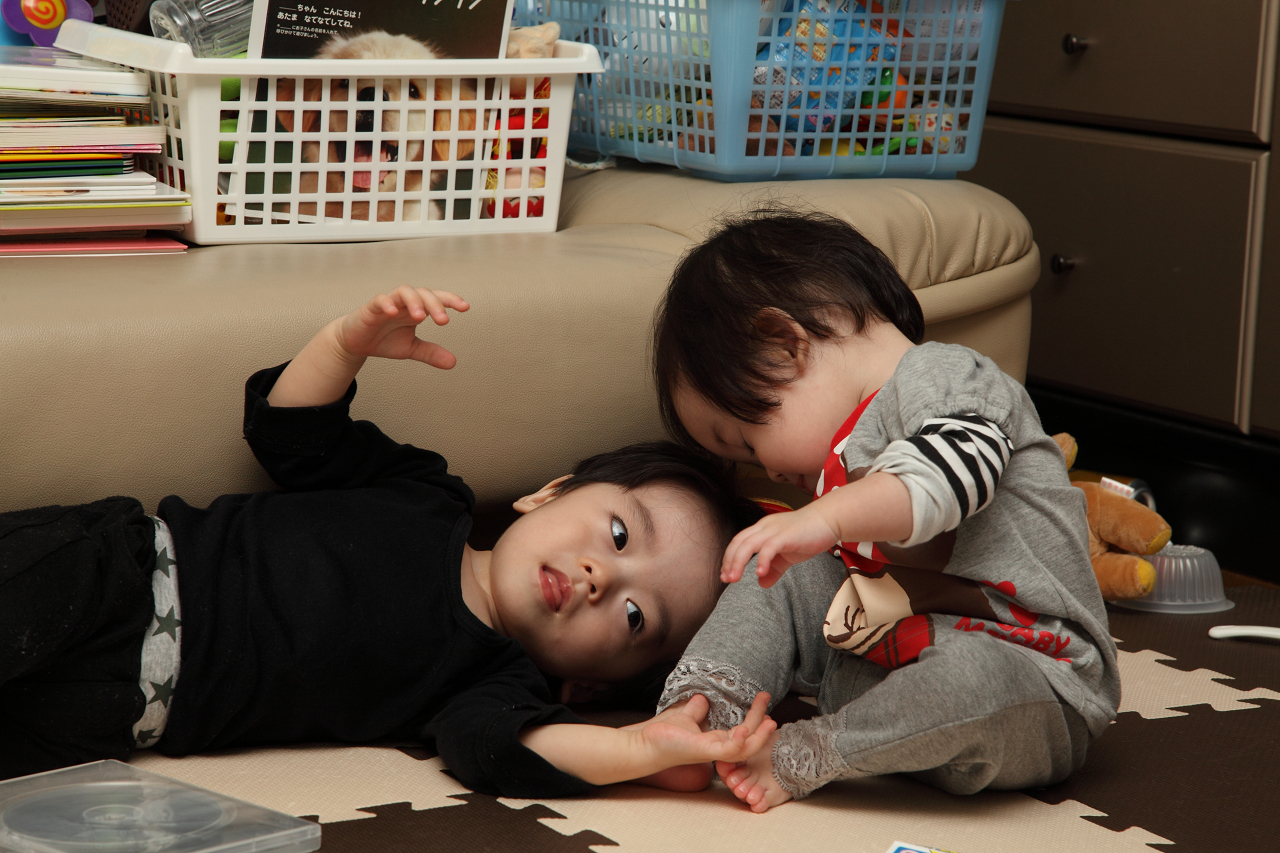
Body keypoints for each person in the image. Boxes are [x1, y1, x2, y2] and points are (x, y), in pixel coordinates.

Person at [0, 285, 777, 796]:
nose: (601, 577)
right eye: (617, 532)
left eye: (637, 617)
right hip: (118, 570)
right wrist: (346, 341)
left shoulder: (487, 686)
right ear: (550, 491)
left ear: (592, 688)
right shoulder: (426, 493)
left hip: (116, 712)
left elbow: (505, 751)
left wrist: (644, 749)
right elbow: (290, 434)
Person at [650, 209, 1121, 812]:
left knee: (966, 678)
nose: (766, 470)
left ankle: (814, 751)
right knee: (775, 573)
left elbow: (944, 480)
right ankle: (696, 715)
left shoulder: (944, 377)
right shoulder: (843, 443)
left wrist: (824, 518)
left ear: (785, 347)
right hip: (887, 663)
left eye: (744, 441)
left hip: (1031, 683)